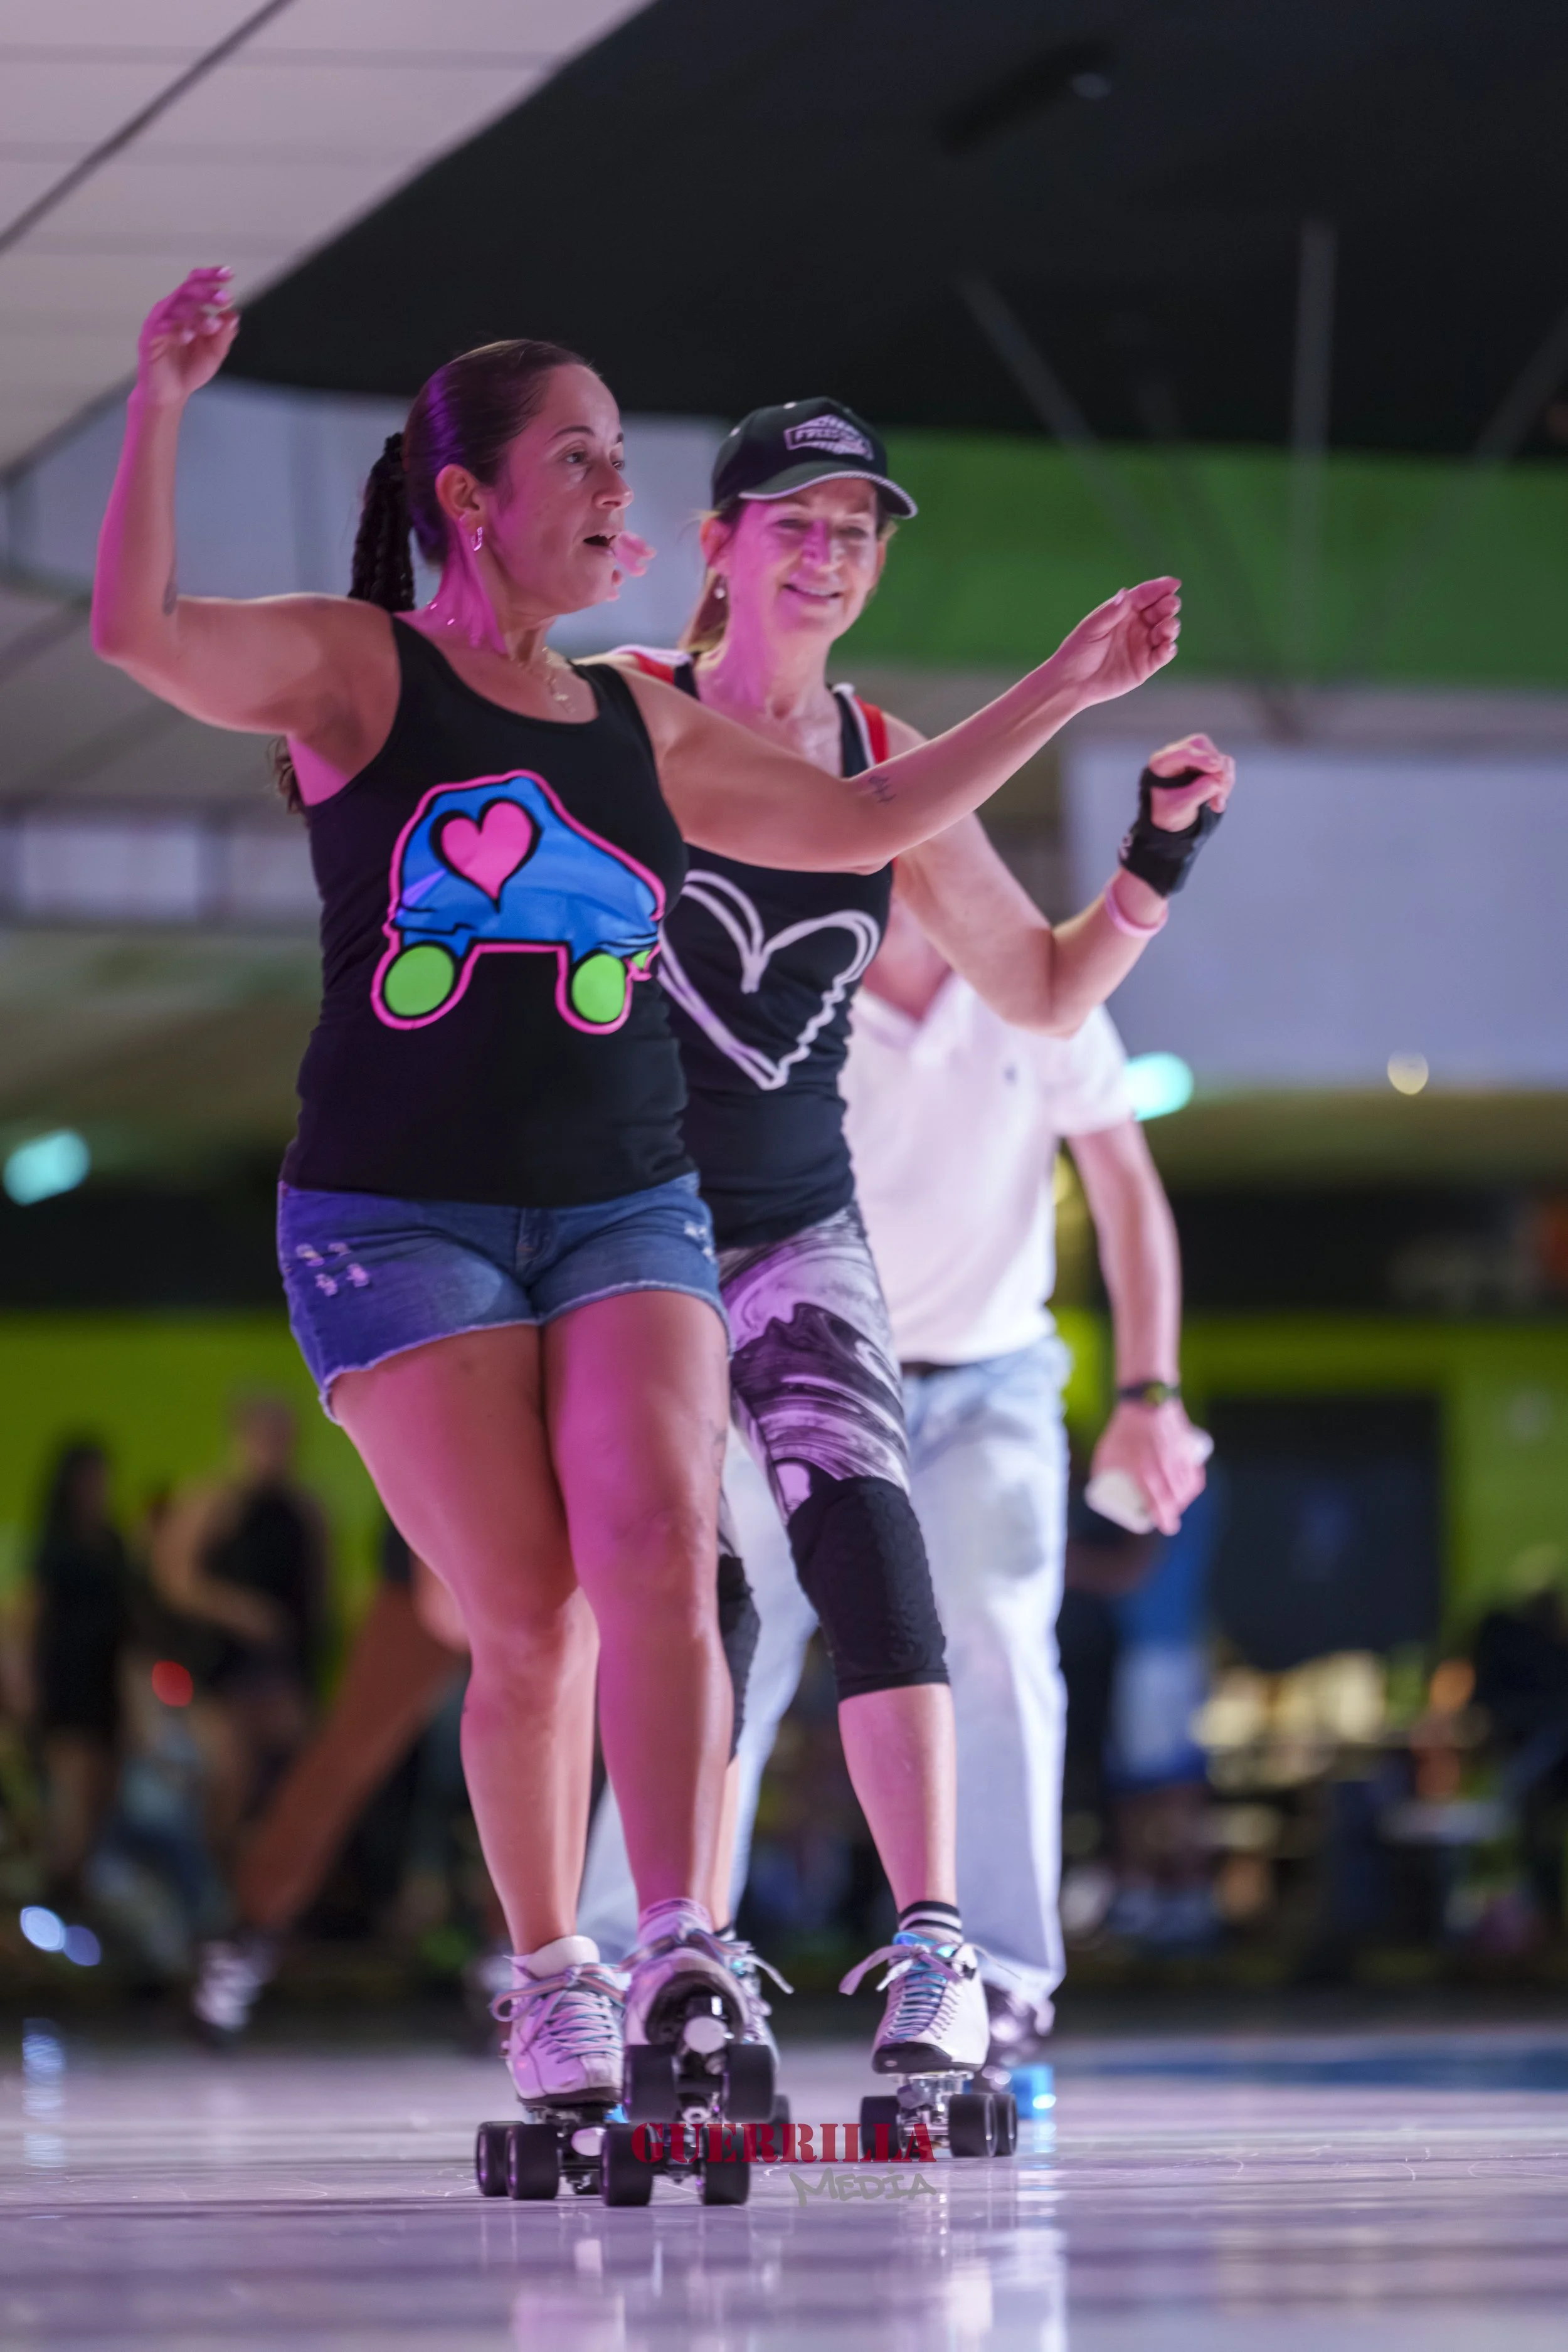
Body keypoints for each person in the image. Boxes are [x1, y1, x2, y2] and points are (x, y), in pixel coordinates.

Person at [93, 271, 1182, 2111]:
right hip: (400, 1219)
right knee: (532, 1620)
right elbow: (136, 631)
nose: (617, 489)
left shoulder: (629, 718)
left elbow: (864, 822)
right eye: (580, 459)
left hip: (627, 1207)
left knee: (665, 1556)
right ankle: (549, 1972)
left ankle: (682, 1942)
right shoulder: (361, 668)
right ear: (469, 499)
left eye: (620, 457)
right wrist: (162, 401)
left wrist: (1064, 686)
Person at [578, 395, 1230, 2079]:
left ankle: (956, 1957)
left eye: (854, 530)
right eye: (792, 521)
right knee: (678, 1613)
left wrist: (1155, 858)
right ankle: (640, 1955)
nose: (826, 552)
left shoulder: (886, 761)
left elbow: (1047, 988)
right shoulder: (617, 710)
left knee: (925, 1607)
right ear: (717, 543)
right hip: (634, 1240)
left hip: (831, 1264)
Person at [189, 1518, 464, 2038]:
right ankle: (245, 1937)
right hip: (443, 1547)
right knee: (349, 1755)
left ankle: (534, 1970)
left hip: (556, 1554)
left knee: (561, 1771)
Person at [152, 1395, 327, 1871]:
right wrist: (239, 1610)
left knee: (294, 1774)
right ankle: (215, 1877)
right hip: (221, 1665)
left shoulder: (303, 1509)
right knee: (231, 1775)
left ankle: (269, 1876)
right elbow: (175, 1578)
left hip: (281, 1667)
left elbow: (317, 1592)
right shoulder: (213, 1501)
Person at [25, 1439, 131, 1910]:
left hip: (107, 1680)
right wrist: (25, 1682)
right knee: (72, 1794)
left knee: (104, 1797)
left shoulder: (112, 1542)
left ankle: (79, 1905)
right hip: (65, 1678)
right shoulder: (54, 1546)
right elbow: (31, 1615)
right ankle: (52, 1902)